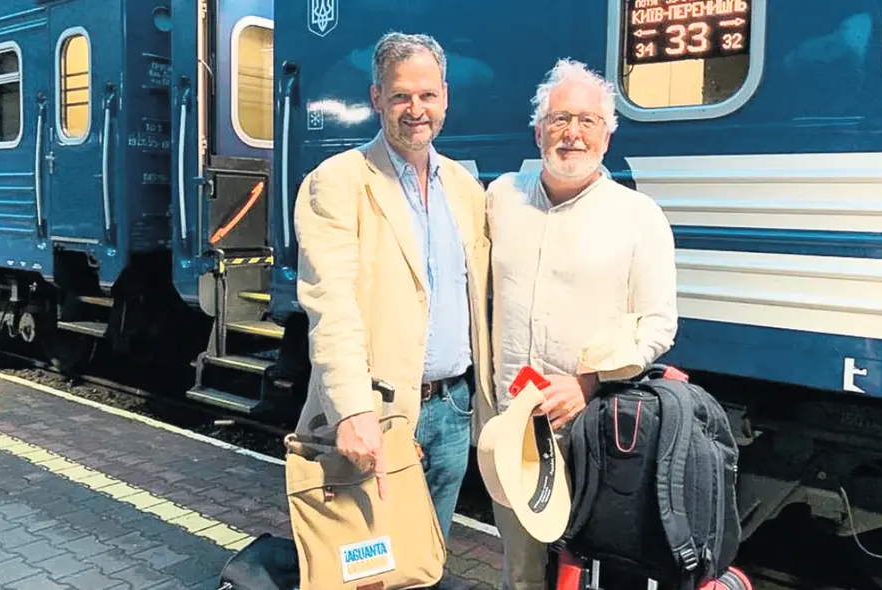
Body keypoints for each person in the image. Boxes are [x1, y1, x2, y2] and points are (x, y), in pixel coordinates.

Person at [291, 31, 494, 546]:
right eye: (401, 95)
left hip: (453, 410)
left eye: (427, 95)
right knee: (366, 564)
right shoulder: (337, 182)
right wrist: (352, 411)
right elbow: (329, 304)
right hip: (377, 413)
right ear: (376, 97)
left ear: (445, 96)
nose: (415, 109)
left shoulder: (466, 191)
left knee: (426, 558)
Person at [484, 58, 680, 590]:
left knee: (588, 569)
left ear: (608, 134)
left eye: (588, 121)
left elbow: (658, 326)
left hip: (591, 426)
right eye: (559, 119)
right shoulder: (501, 198)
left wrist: (588, 384)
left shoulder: (639, 217)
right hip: (512, 426)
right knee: (521, 570)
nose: (572, 133)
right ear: (537, 129)